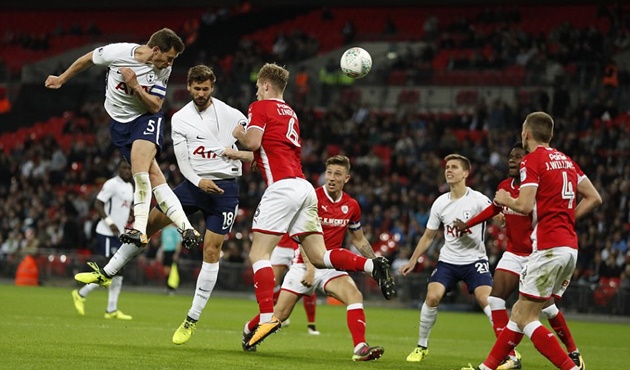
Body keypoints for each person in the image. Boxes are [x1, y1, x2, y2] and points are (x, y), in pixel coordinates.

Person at [74, 65, 251, 343]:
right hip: (193, 186)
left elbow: (252, 151)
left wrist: (238, 149)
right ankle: (107, 272)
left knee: (212, 251)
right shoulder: (180, 118)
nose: (201, 93)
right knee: (147, 225)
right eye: (196, 88)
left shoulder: (233, 115)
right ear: (189, 87)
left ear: (212, 87)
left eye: (206, 88)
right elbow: (182, 160)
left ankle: (192, 318)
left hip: (225, 190)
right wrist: (198, 182)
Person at [231, 63, 396, 350]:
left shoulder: (260, 107)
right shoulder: (290, 112)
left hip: (281, 188)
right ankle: (371, 266)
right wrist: (237, 154)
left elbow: (254, 141)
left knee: (258, 253)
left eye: (258, 87)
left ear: (266, 85)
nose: (257, 91)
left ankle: (268, 316)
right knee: (319, 256)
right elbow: (272, 152)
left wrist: (239, 132)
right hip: (304, 188)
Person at [460, 112, 602, 370]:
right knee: (520, 313)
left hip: (547, 247)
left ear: (526, 134)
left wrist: (505, 200)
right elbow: (594, 198)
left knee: (527, 317)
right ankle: (488, 367)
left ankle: (571, 366)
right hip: (569, 247)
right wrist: (568, 220)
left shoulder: (532, 161)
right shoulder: (567, 162)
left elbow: (524, 205)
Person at [45, 28, 201, 251]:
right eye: (168, 58)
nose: (170, 64)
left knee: (139, 167)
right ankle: (186, 227)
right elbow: (88, 58)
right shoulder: (118, 53)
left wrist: (136, 86)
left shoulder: (162, 69)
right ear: (156, 50)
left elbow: (156, 105)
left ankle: (138, 227)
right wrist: (62, 78)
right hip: (119, 125)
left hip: (145, 118)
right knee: (154, 175)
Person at [242, 155, 384, 361]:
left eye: (338, 174)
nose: (332, 178)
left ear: (347, 178)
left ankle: (360, 348)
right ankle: (248, 330)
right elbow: (301, 237)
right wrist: (310, 268)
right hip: (303, 263)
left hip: (331, 266)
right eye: (329, 173)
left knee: (355, 296)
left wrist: (375, 262)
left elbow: (359, 240)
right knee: (279, 316)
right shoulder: (311, 198)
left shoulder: (351, 206)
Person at [399, 154, 494, 364]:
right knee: (432, 297)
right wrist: (413, 260)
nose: (448, 170)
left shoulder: (479, 200)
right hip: (448, 261)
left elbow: (499, 218)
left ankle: (508, 351)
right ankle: (421, 346)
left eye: (454, 167)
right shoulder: (440, 203)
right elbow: (429, 235)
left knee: (486, 300)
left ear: (465, 174)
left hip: (475, 260)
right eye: (447, 167)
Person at [71, 161, 134, 320]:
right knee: (110, 270)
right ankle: (80, 293)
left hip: (120, 234)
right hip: (106, 232)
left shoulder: (130, 187)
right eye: (124, 168)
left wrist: (132, 214)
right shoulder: (112, 184)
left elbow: (124, 207)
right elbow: (98, 204)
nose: (127, 171)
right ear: (118, 168)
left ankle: (111, 310)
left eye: (129, 168)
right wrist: (111, 223)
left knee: (119, 272)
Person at [269, 235, 319, 334]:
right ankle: (278, 316)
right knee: (273, 282)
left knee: (306, 282)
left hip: (298, 245)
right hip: (281, 245)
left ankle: (311, 324)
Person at [160, 223, 182, 295]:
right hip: (166, 252)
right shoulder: (164, 230)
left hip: (172, 251)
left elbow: (178, 242)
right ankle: (168, 286)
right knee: (166, 270)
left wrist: (176, 253)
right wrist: (161, 253)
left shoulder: (175, 230)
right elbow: (163, 243)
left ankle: (172, 288)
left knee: (172, 270)